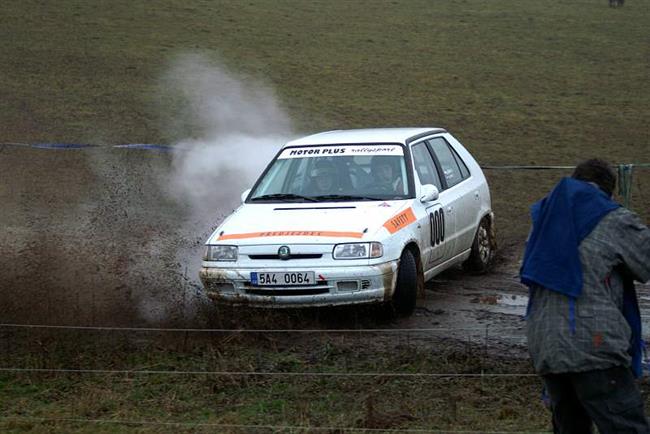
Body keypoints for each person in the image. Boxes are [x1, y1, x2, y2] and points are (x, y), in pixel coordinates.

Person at [521, 159, 650, 433]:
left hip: (546, 344)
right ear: (607, 191)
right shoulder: (610, 217)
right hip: (594, 344)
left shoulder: (543, 218)